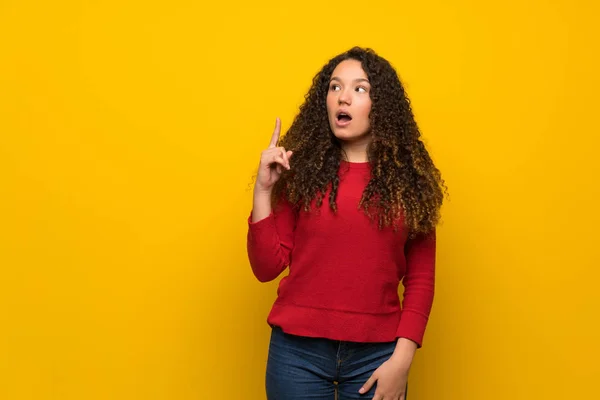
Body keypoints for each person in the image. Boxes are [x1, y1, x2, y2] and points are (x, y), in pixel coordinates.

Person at [246, 46, 446, 400]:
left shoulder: (409, 182)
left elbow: (421, 278)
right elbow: (266, 268)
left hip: (378, 356)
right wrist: (263, 192)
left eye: (359, 89)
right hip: (297, 354)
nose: (343, 98)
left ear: (381, 104)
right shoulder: (301, 172)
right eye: (335, 87)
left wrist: (402, 361)